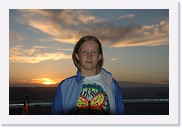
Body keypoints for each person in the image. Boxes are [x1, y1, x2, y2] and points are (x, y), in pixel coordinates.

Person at [51, 35, 124, 115]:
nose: (89, 56)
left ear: (99, 57)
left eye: (94, 52)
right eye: (84, 52)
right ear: (77, 56)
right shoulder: (65, 86)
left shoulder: (111, 84)